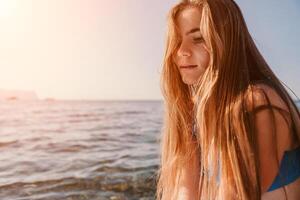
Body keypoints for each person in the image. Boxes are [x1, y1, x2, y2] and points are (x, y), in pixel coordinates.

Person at [156, 0, 300, 199]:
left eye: (198, 39)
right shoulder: (192, 109)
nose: (181, 51)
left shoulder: (259, 104)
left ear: (228, 42)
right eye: (177, 41)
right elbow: (185, 190)